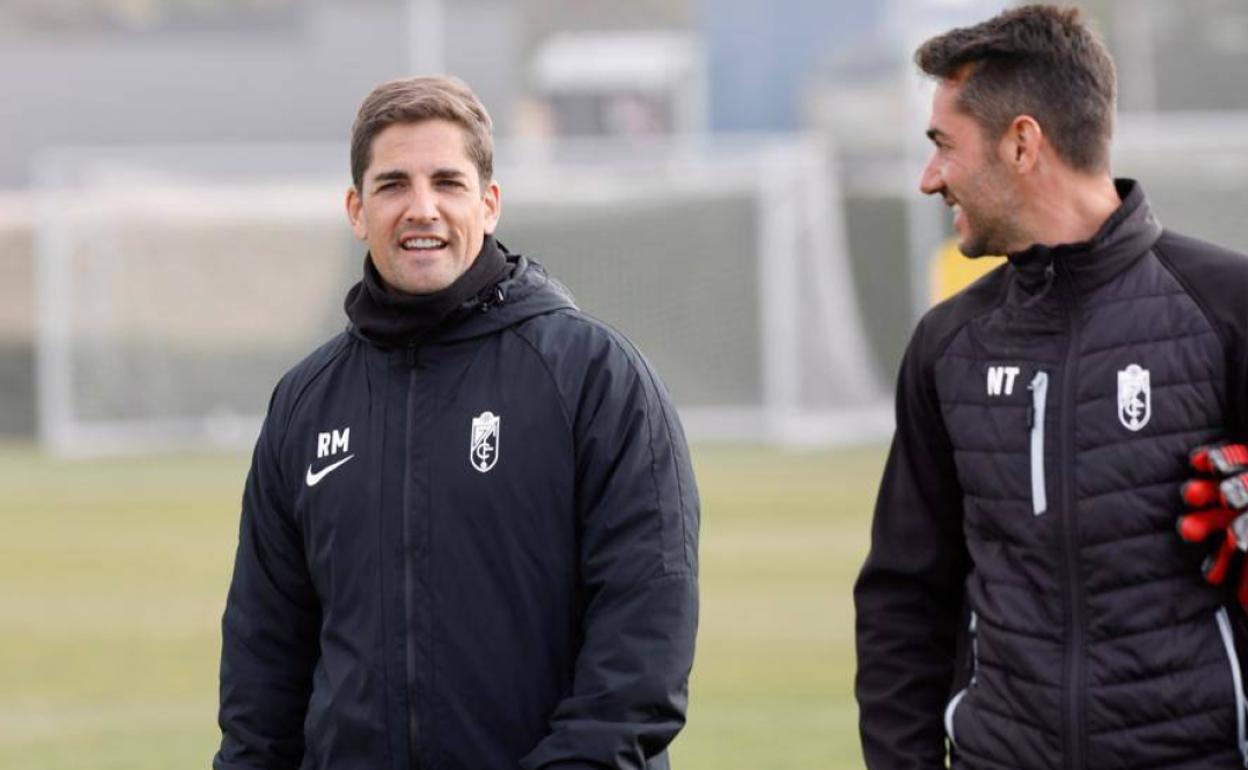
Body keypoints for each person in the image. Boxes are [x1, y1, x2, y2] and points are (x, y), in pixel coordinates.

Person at [213, 76, 699, 770]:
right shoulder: (306, 402)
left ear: (489, 203)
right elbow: (264, 656)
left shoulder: (594, 375)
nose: (422, 209)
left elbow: (646, 632)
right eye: (392, 185)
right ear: (356, 209)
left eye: (447, 182)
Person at [854, 5, 1248, 769]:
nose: (930, 178)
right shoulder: (947, 346)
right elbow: (903, 601)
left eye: (943, 147)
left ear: (1023, 142)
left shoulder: (1228, 307)